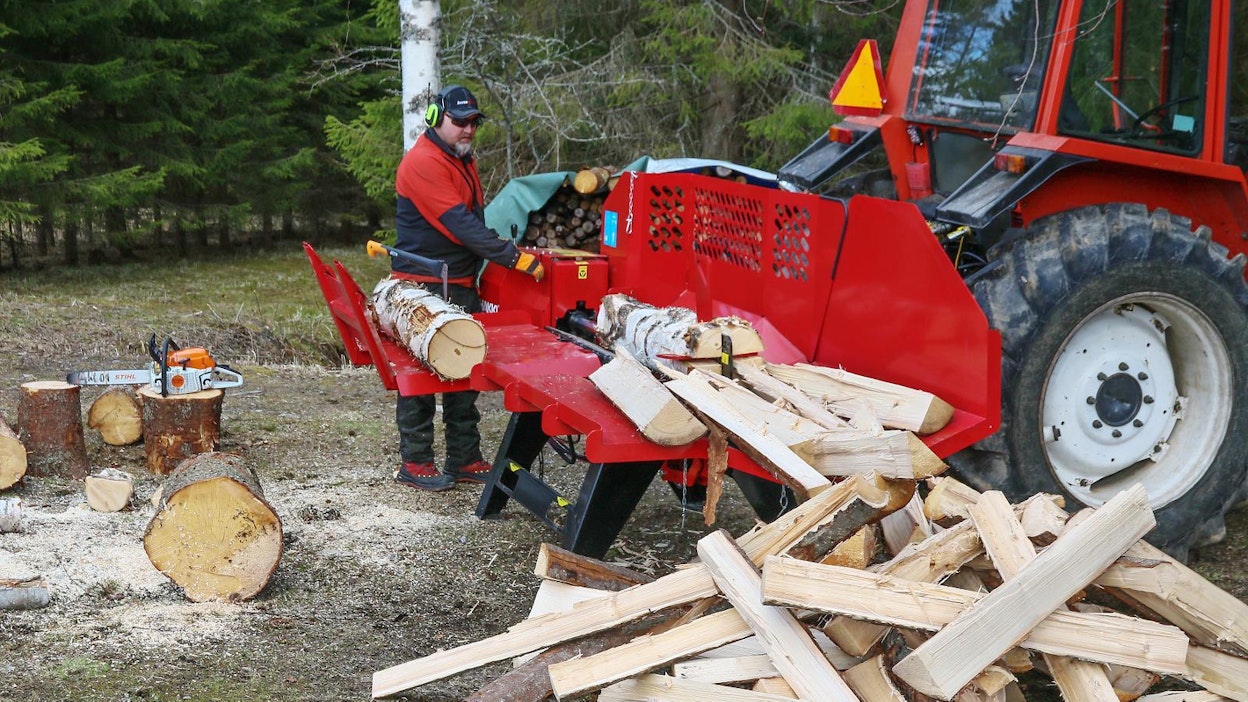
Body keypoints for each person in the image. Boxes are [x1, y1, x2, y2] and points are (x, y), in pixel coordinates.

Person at [389, 83, 544, 491]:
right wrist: (514, 258)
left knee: (466, 368)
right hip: (423, 283)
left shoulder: (461, 158)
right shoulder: (423, 162)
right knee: (421, 374)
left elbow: (474, 221)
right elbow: (460, 225)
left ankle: (465, 457)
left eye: (473, 122)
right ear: (437, 119)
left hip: (457, 281)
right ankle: (416, 460)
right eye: (460, 122)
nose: (468, 130)